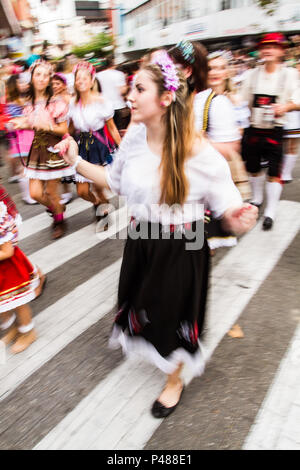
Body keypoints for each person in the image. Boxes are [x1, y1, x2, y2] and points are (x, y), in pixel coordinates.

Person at [55, 51, 258, 418]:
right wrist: (75, 160)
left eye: (139, 88)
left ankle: (175, 379)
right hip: (142, 240)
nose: (129, 96)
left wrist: (237, 215)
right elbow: (113, 182)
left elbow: (227, 201)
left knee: (174, 313)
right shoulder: (133, 140)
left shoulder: (198, 150)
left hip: (184, 246)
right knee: (143, 304)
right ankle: (161, 354)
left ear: (165, 98)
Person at [240, 33, 300, 230]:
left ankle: (270, 211)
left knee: (274, 172)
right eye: (265, 47)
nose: (268, 50)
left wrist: (286, 107)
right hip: (253, 129)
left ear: (281, 51)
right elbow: (242, 103)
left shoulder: (290, 74)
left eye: (273, 46)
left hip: (275, 130)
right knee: (253, 168)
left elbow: (298, 100)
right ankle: (257, 199)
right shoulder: (251, 74)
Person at [10, 59, 74, 239]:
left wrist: (44, 126)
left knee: (50, 192)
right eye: (38, 74)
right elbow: (33, 125)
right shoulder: (28, 102)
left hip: (53, 149)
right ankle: (58, 208)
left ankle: (59, 220)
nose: (42, 78)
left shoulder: (56, 102)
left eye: (46, 75)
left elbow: (64, 130)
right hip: (36, 149)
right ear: (31, 77)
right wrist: (20, 123)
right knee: (35, 193)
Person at [68, 61, 121, 226]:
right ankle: (97, 203)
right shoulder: (72, 104)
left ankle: (103, 206)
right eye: (78, 78)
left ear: (92, 81)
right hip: (82, 146)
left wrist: (123, 149)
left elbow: (112, 128)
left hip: (98, 147)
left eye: (85, 78)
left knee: (98, 187)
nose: (81, 80)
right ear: (75, 82)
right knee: (82, 191)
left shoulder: (102, 102)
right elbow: (69, 129)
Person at [0, 184, 46, 353]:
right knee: (2, 306)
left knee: (17, 302)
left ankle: (28, 331)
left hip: (8, 269)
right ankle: (12, 329)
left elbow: (7, 251)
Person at [5, 74, 37, 204]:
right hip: (22, 138)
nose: (24, 84)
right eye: (21, 82)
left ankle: (32, 193)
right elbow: (16, 122)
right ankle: (27, 195)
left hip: (29, 136)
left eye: (24, 82)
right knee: (24, 166)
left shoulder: (25, 99)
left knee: (31, 165)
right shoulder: (13, 104)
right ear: (14, 86)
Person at [96, 57, 131, 135]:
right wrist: (127, 87)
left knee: (108, 132)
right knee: (120, 131)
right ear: (112, 64)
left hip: (103, 107)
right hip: (118, 107)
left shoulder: (98, 75)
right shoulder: (118, 74)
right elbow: (122, 91)